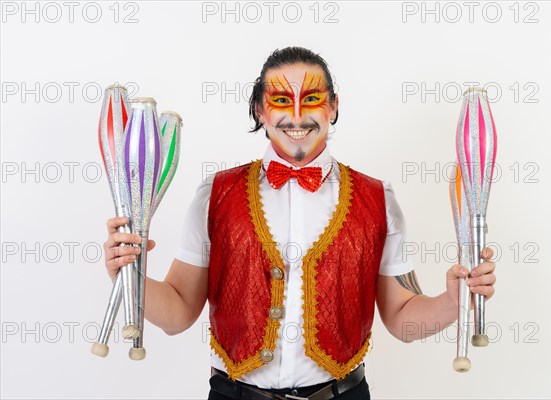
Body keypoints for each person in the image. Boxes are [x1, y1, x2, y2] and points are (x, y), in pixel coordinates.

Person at [103, 47, 497, 400]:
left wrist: (453, 300)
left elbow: (401, 317)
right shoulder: (215, 194)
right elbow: (178, 313)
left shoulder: (378, 199)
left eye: (311, 99)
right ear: (260, 109)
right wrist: (129, 272)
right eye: (279, 100)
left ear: (333, 107)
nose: (295, 116)